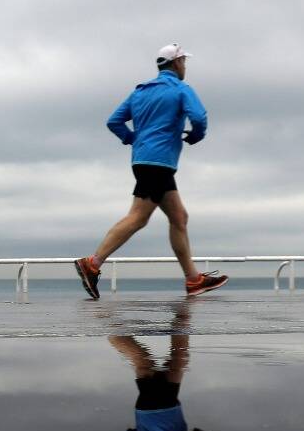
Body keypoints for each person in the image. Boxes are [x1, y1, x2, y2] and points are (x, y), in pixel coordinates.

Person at [74, 43, 226, 299]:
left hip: (144, 160)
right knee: (138, 217)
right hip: (159, 162)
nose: (185, 66)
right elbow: (198, 118)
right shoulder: (180, 89)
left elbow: (114, 121)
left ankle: (193, 280)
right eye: (184, 62)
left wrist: (133, 138)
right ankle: (92, 263)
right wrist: (195, 136)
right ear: (176, 63)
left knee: (179, 218)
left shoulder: (140, 93)